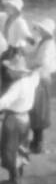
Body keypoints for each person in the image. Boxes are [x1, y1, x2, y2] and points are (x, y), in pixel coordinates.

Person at [0, 55, 40, 184]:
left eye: (11, 69)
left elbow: (5, 101)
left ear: (18, 72)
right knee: (21, 147)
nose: (8, 71)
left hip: (14, 120)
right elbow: (36, 75)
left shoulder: (17, 86)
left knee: (9, 149)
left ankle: (13, 180)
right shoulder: (31, 81)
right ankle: (19, 175)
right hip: (25, 118)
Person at [0, 0, 34, 93]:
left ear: (15, 9)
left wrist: (30, 39)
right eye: (7, 6)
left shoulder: (20, 22)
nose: (6, 8)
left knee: (11, 73)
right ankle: (3, 93)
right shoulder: (5, 17)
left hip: (15, 50)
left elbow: (25, 33)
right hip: (5, 48)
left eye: (9, 7)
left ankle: (11, 93)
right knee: (2, 71)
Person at [27, 19, 56, 154]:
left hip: (42, 78)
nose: (40, 31)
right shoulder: (43, 42)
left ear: (47, 31)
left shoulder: (49, 45)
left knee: (40, 111)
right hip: (38, 76)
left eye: (42, 29)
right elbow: (35, 55)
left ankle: (38, 143)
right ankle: (35, 141)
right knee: (35, 110)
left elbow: (43, 62)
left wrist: (31, 65)